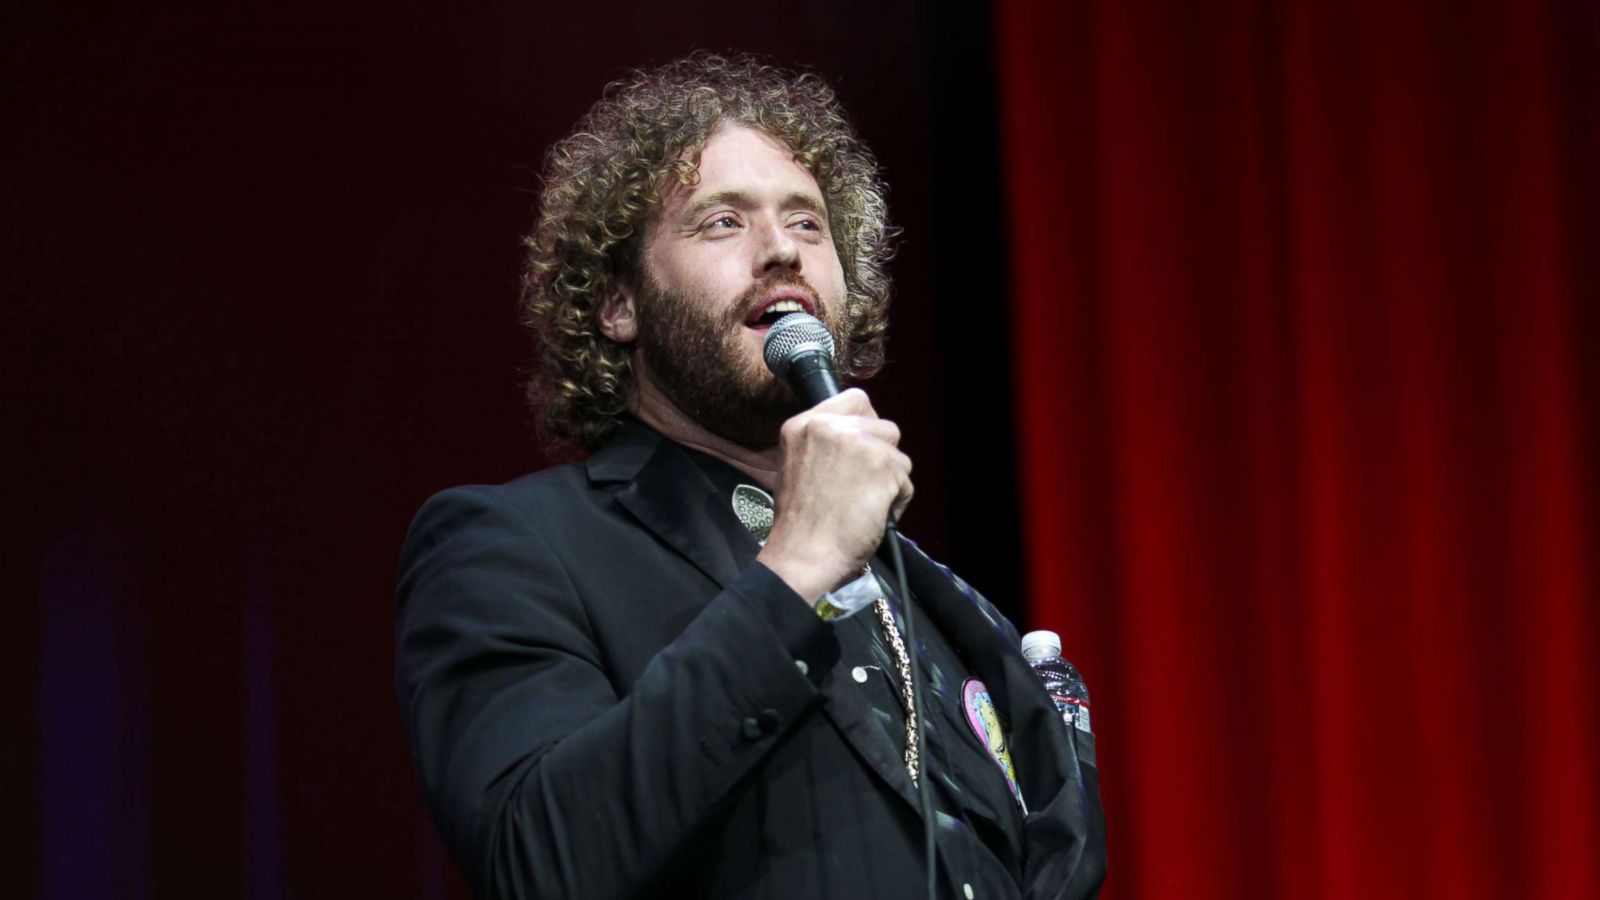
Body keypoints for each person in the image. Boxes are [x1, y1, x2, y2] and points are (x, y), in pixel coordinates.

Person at [395, 53, 1106, 900]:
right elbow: (536, 857)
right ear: (618, 303)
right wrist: (795, 566)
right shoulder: (513, 547)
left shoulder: (933, 600)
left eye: (808, 224)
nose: (781, 252)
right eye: (722, 222)